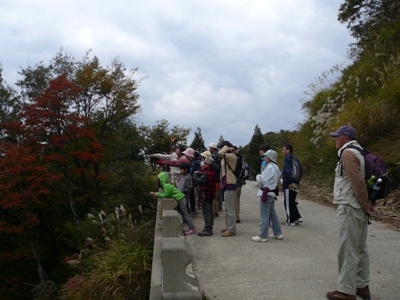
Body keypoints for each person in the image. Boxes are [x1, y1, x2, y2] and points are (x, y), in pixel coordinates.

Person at [326, 125, 375, 300]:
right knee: (360, 247)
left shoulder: (348, 154)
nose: (335, 140)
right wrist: (367, 205)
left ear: (346, 138)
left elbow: (358, 183)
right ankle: (362, 286)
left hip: (350, 206)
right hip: (358, 208)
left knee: (347, 248)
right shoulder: (359, 152)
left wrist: (365, 203)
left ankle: (346, 291)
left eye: (337, 137)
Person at [252, 150, 283, 242]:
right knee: (272, 214)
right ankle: (278, 233)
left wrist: (257, 176)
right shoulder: (276, 167)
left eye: (266, 156)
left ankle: (262, 236)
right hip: (272, 193)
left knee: (264, 215)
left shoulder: (269, 168)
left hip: (266, 192)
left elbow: (261, 179)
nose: (264, 157)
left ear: (270, 158)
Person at [193, 157, 217, 237]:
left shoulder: (206, 173)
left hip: (206, 194)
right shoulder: (212, 171)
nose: (204, 165)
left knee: (206, 212)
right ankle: (209, 227)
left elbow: (198, 181)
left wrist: (195, 175)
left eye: (205, 163)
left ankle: (208, 229)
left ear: (209, 164)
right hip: (211, 194)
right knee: (210, 211)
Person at [218, 141, 237, 237]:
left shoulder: (231, 156)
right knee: (227, 208)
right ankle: (229, 226)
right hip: (226, 182)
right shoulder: (227, 156)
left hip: (230, 182)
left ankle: (231, 230)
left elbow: (220, 153)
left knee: (230, 208)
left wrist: (227, 148)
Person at [281, 144, 303, 226]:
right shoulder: (295, 158)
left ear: (288, 150)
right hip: (296, 183)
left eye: (284, 149)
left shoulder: (288, 159)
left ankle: (290, 220)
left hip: (289, 184)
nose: (282, 151)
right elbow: (300, 171)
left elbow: (287, 172)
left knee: (287, 202)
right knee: (292, 201)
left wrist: (287, 183)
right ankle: (297, 217)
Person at [209, 142, 222, 216]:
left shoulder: (217, 156)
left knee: (215, 195)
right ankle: (215, 210)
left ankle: (215, 211)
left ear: (213, 148)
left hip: (216, 178)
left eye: (210, 147)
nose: (209, 149)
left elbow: (219, 167)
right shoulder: (214, 156)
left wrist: (212, 164)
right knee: (216, 195)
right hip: (216, 178)